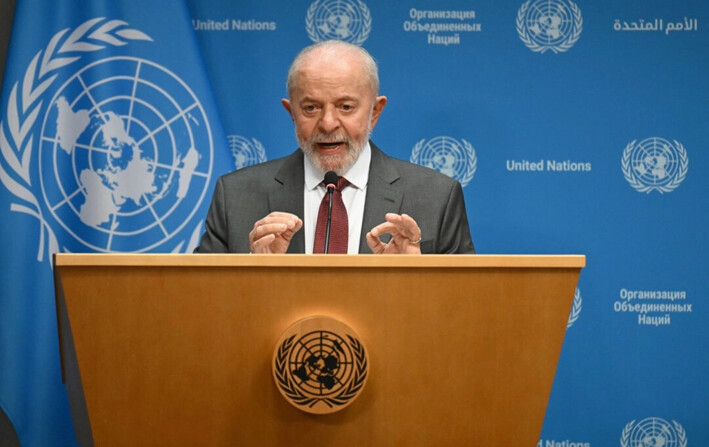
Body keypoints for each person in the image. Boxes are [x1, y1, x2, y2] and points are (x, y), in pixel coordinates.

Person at [194, 40, 474, 254]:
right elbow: (201, 308)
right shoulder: (235, 197)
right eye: (311, 108)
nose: (328, 124)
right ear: (291, 112)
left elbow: (467, 308)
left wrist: (412, 279)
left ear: (375, 112)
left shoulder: (437, 198)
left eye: (346, 107)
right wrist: (255, 276)